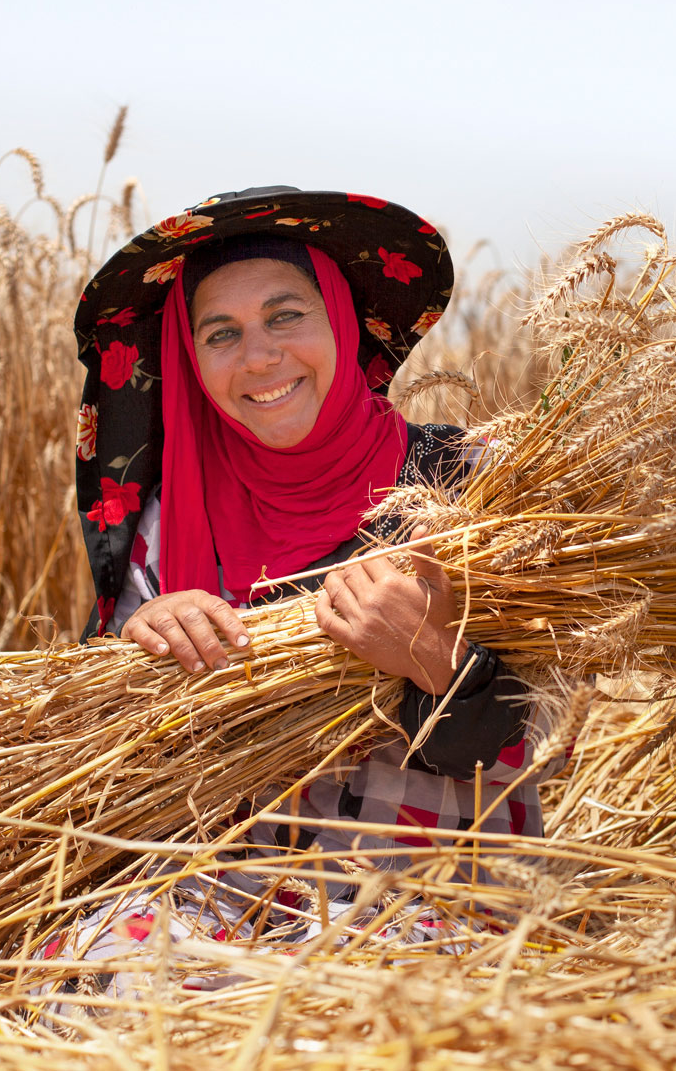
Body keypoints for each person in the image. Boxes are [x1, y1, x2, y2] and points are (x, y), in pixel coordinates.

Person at [42, 187, 561, 1001]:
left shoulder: (476, 486)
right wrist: (139, 639)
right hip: (226, 897)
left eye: (286, 316)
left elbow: (540, 725)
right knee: (106, 976)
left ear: (342, 326)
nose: (258, 357)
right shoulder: (164, 521)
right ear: (189, 362)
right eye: (221, 334)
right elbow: (100, 755)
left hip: (428, 897)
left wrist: (437, 661)